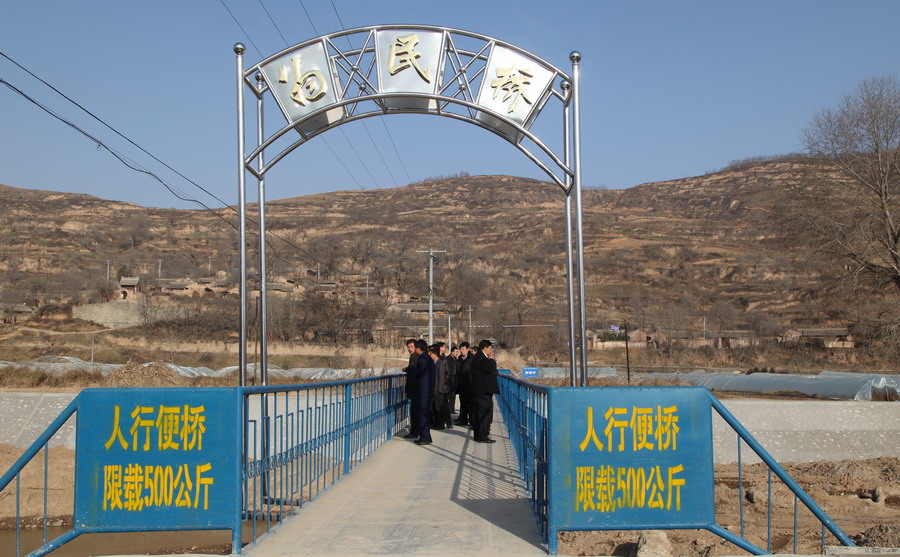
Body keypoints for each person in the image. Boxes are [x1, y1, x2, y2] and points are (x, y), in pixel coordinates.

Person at [469, 339, 499, 443]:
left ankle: (478, 435)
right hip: (482, 391)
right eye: (490, 348)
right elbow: (491, 369)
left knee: (479, 413)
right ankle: (483, 435)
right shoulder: (481, 358)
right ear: (485, 348)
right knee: (484, 414)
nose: (490, 350)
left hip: (479, 390)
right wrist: (492, 360)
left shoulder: (478, 357)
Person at [412, 339, 435, 446]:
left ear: (419, 348)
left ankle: (424, 437)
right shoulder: (429, 358)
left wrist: (409, 369)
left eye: (415, 347)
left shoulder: (423, 359)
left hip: (423, 392)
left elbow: (419, 372)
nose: (414, 349)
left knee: (422, 415)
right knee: (426, 414)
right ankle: (426, 436)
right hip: (428, 390)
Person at [430, 344, 453, 430]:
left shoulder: (440, 363)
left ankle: (440, 424)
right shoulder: (434, 363)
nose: (430, 355)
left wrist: (439, 389)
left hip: (438, 390)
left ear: (435, 354)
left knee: (439, 408)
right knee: (435, 408)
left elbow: (441, 378)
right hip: (434, 389)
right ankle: (436, 423)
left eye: (431, 354)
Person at [402, 338, 420, 439]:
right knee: (415, 411)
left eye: (412, 347)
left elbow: (414, 371)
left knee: (414, 411)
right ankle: (416, 429)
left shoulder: (415, 357)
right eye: (408, 347)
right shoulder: (416, 356)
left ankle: (414, 431)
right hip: (415, 388)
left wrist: (407, 369)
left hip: (414, 388)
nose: (410, 349)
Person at [454, 342, 474, 426]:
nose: (462, 351)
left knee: (471, 405)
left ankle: (472, 422)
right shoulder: (459, 359)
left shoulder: (472, 359)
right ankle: (463, 420)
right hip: (461, 385)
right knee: (463, 404)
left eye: (463, 349)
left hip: (470, 385)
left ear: (468, 349)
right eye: (461, 349)